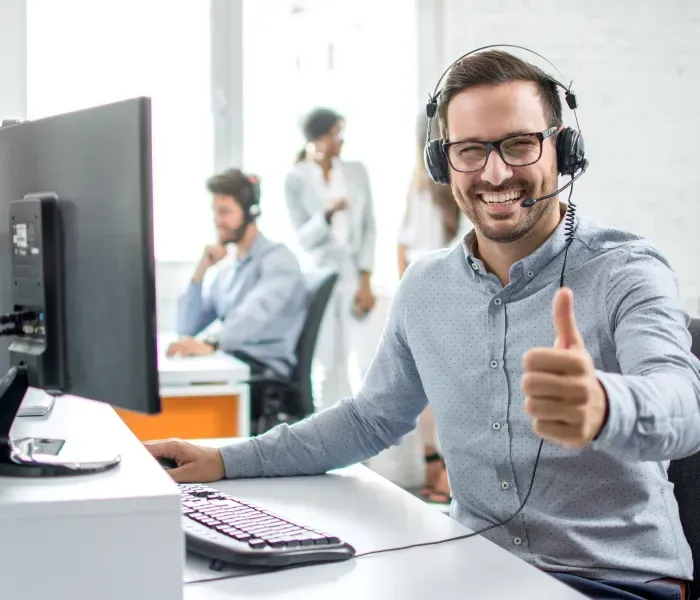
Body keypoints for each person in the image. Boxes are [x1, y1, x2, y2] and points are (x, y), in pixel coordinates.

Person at [148, 51, 699, 600]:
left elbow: (683, 403)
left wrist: (606, 405)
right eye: (470, 151)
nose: (495, 172)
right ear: (443, 163)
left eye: (519, 143)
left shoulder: (625, 269)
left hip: (618, 582)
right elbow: (368, 420)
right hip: (476, 572)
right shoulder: (426, 287)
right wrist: (225, 459)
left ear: (563, 148)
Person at [167, 168, 307, 385]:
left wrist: (212, 343)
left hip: (264, 373)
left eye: (224, 212)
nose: (217, 220)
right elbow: (186, 328)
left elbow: (255, 313)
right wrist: (200, 271)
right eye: (214, 211)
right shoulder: (227, 270)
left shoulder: (278, 260)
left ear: (250, 212)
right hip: (233, 363)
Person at [282, 107, 377, 408]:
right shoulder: (295, 180)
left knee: (357, 360)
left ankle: (357, 433)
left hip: (352, 276)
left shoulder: (355, 172)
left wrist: (366, 280)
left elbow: (369, 227)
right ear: (320, 137)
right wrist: (326, 214)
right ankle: (323, 430)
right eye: (337, 133)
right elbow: (303, 238)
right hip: (320, 275)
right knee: (325, 360)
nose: (341, 140)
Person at [398, 120, 470, 504]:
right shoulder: (417, 185)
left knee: (447, 388)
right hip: (425, 292)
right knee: (425, 388)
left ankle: (444, 471)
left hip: (453, 294)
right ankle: (434, 468)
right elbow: (403, 241)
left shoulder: (458, 186)